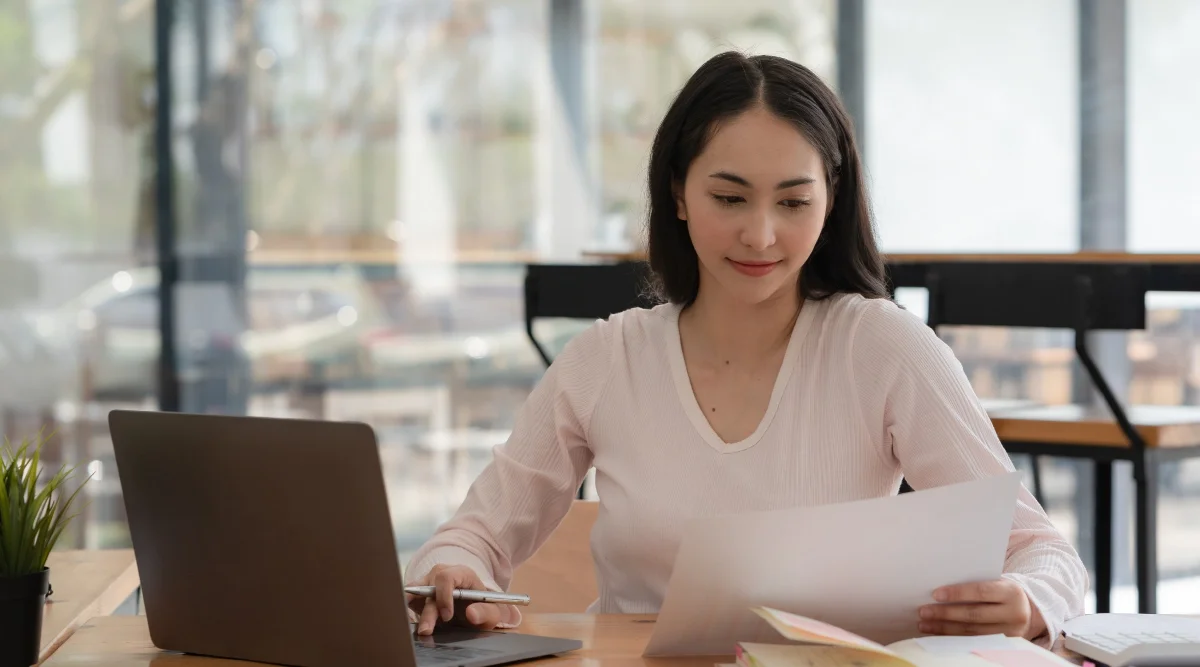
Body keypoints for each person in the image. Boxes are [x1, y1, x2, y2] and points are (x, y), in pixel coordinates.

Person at [405, 51, 1087, 646]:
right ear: (677, 191)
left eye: (793, 202)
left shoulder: (881, 347)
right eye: (729, 197)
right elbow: (474, 536)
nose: (760, 236)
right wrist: (452, 573)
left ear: (832, 196)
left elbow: (1042, 552)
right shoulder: (605, 360)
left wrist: (1028, 602)